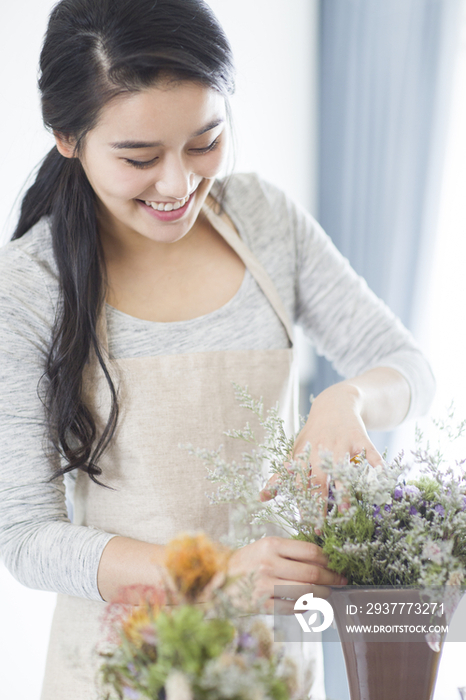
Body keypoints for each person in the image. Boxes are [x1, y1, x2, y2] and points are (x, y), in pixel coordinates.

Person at [0, 0, 435, 698]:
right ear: (67, 137)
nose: (178, 185)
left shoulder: (262, 218)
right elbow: (25, 539)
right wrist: (216, 575)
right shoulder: (28, 286)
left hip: (270, 659)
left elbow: (409, 365)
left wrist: (344, 398)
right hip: (121, 669)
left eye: (204, 142)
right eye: (139, 157)